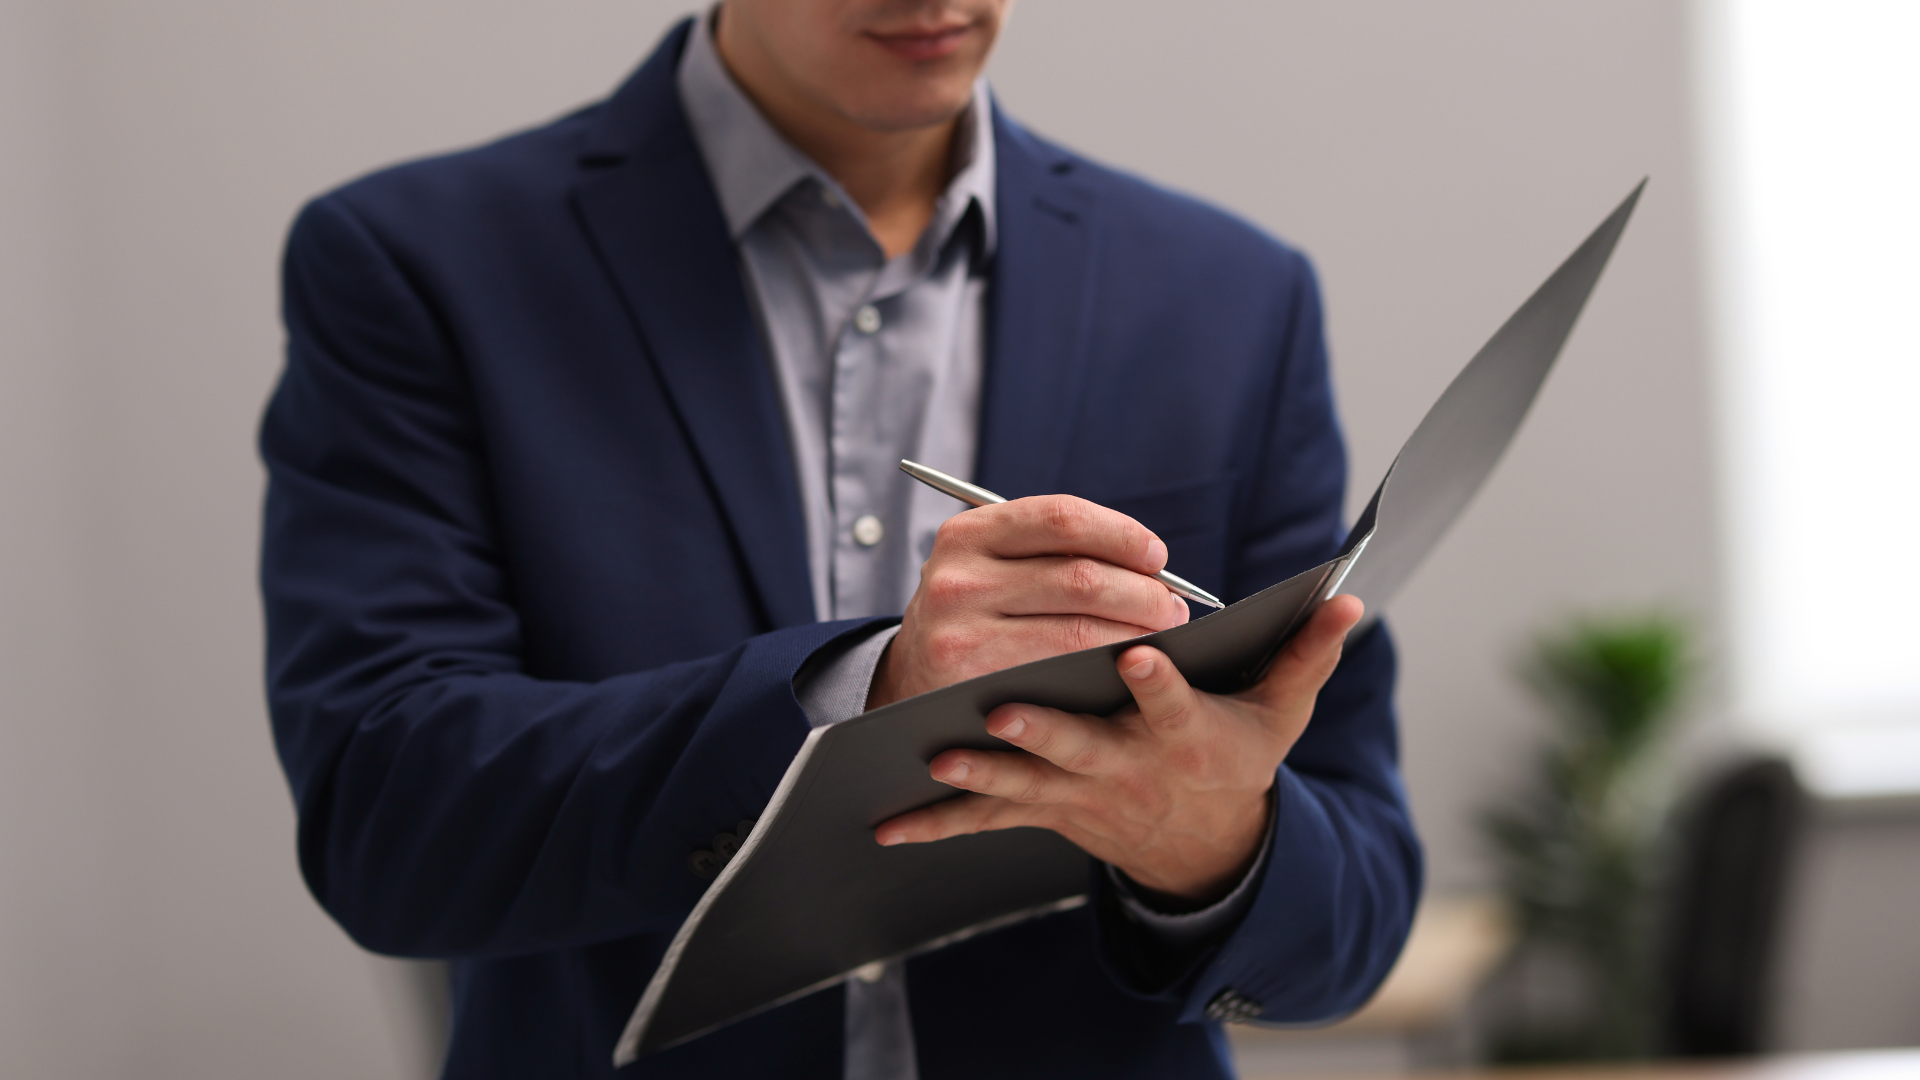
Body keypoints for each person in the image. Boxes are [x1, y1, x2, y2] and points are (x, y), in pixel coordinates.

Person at [259, 2, 1421, 1077]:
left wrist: (1213, 846)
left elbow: (1355, 923)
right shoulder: (421, 264)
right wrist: (865, 696)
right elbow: (389, 827)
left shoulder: (1231, 297)